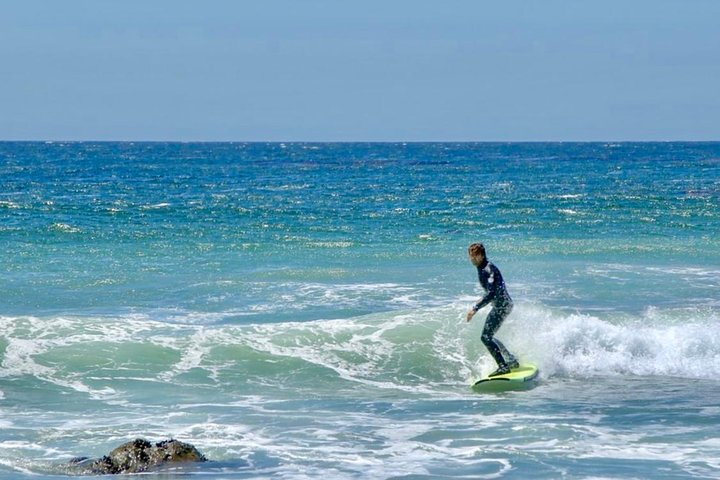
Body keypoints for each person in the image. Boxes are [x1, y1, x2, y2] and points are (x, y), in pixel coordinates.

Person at [466, 242, 519, 377]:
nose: (471, 259)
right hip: (503, 305)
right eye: (470, 256)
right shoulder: (481, 267)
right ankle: (511, 359)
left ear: (481, 256)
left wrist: (475, 308)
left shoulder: (488, 269)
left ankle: (503, 366)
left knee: (485, 337)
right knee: (489, 336)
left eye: (474, 256)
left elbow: (491, 293)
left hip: (502, 306)